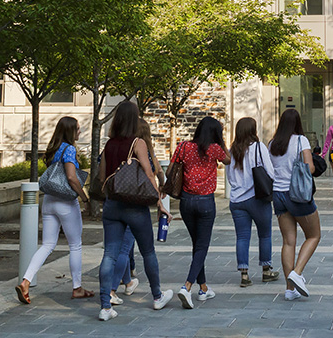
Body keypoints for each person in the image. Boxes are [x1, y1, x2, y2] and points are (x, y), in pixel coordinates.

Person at [96, 101, 175, 321]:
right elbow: (150, 175)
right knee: (148, 251)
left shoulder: (109, 144)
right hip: (135, 207)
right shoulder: (138, 142)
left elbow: (102, 177)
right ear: (134, 118)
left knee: (109, 254)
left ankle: (105, 306)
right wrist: (159, 203)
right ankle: (157, 296)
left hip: (112, 206)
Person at [16, 116, 92, 304]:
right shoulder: (69, 149)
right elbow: (72, 178)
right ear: (70, 131)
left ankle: (25, 282)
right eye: (78, 129)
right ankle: (77, 288)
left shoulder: (53, 150)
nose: (80, 132)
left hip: (49, 201)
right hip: (65, 202)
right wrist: (84, 198)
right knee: (75, 245)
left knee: (48, 245)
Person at [173, 116, 231, 309]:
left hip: (186, 201)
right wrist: (221, 142)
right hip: (206, 201)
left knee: (197, 245)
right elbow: (229, 160)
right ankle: (187, 286)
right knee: (202, 246)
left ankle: (203, 288)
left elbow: (169, 174)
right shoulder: (214, 149)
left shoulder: (183, 147)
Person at [108, 119, 166, 305]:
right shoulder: (143, 148)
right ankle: (113, 289)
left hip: (114, 202)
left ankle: (127, 282)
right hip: (135, 202)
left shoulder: (113, 144)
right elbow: (154, 173)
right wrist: (159, 200)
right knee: (135, 249)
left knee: (116, 249)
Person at [268, 108, 320, 301]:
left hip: (278, 195)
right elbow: (310, 168)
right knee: (314, 235)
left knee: (288, 242)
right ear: (298, 122)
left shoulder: (272, 144)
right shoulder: (301, 140)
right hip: (297, 195)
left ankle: (290, 290)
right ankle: (297, 273)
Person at [226, 116, 279, 287]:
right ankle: (266, 270)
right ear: (253, 130)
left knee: (242, 237)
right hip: (257, 199)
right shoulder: (258, 147)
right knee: (264, 234)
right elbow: (270, 172)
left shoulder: (231, 151)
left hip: (236, 200)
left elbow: (229, 177)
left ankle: (244, 274)